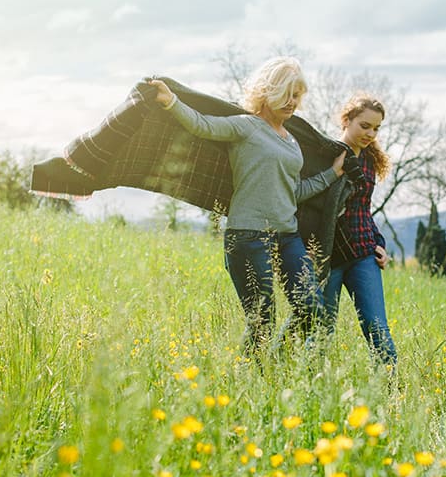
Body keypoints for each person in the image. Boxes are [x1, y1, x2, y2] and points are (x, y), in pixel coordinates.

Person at [148, 57, 345, 353]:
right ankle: (249, 380)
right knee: (261, 322)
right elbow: (202, 125)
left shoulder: (292, 140)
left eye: (297, 96)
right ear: (267, 92)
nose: (292, 102)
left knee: (311, 309)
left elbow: (295, 191)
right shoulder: (246, 127)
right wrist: (170, 100)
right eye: (286, 94)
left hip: (288, 237)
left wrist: (333, 174)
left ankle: (277, 362)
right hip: (249, 237)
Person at [323, 93, 398, 366]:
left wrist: (379, 242)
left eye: (376, 128)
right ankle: (304, 387)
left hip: (363, 253)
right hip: (327, 256)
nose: (371, 133)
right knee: (321, 332)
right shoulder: (326, 153)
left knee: (377, 328)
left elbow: (363, 209)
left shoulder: (369, 159)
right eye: (364, 126)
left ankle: (391, 395)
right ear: (347, 120)